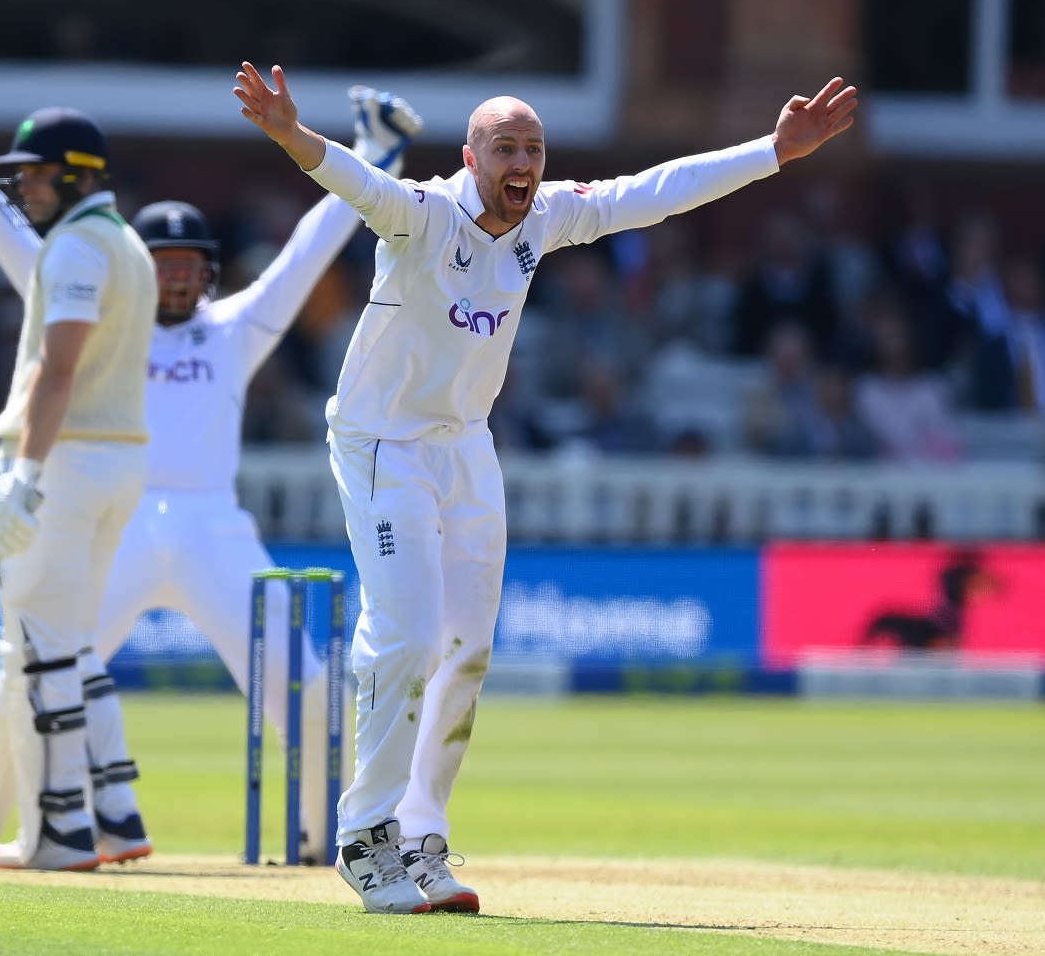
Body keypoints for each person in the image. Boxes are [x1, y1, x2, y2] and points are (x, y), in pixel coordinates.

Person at [233, 60, 858, 914]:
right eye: (503, 148)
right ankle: (365, 838)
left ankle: (421, 836)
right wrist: (288, 135)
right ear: (470, 156)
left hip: (464, 446)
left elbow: (656, 192)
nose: (521, 162)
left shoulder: (547, 216)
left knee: (467, 649)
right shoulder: (419, 214)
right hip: (383, 444)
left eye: (532, 147)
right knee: (407, 634)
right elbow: (355, 178)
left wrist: (773, 152)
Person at [0, 86, 423, 866]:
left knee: (308, 682)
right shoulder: (100, 287)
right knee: (34, 665)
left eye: (191, 268)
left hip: (212, 529)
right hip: (111, 520)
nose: (179, 281)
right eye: (167, 266)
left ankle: (329, 838)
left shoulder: (233, 330)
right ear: (142, 267)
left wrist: (376, 159)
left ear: (209, 275)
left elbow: (307, 252)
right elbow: (11, 232)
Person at [0, 77, 157, 871]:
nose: (28, 187)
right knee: (62, 646)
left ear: (80, 174)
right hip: (117, 462)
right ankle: (108, 814)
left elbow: (57, 369)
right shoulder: (126, 241)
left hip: (67, 460)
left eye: (39, 175)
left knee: (40, 653)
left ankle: (59, 833)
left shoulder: (81, 245)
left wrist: (26, 474)